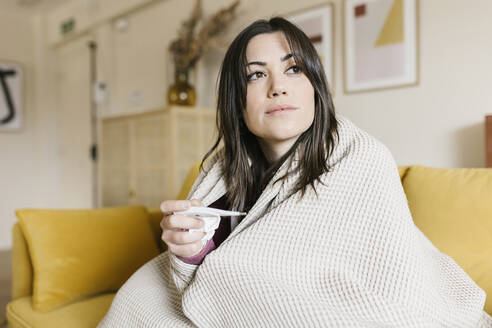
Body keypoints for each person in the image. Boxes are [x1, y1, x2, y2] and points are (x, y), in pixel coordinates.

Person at [98, 17, 492, 327]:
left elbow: (280, 277)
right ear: (238, 100)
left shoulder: (362, 157)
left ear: (315, 87)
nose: (277, 88)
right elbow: (194, 269)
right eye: (256, 74)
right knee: (141, 296)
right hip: (232, 304)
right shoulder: (221, 170)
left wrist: (209, 263)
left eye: (293, 70)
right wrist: (188, 252)